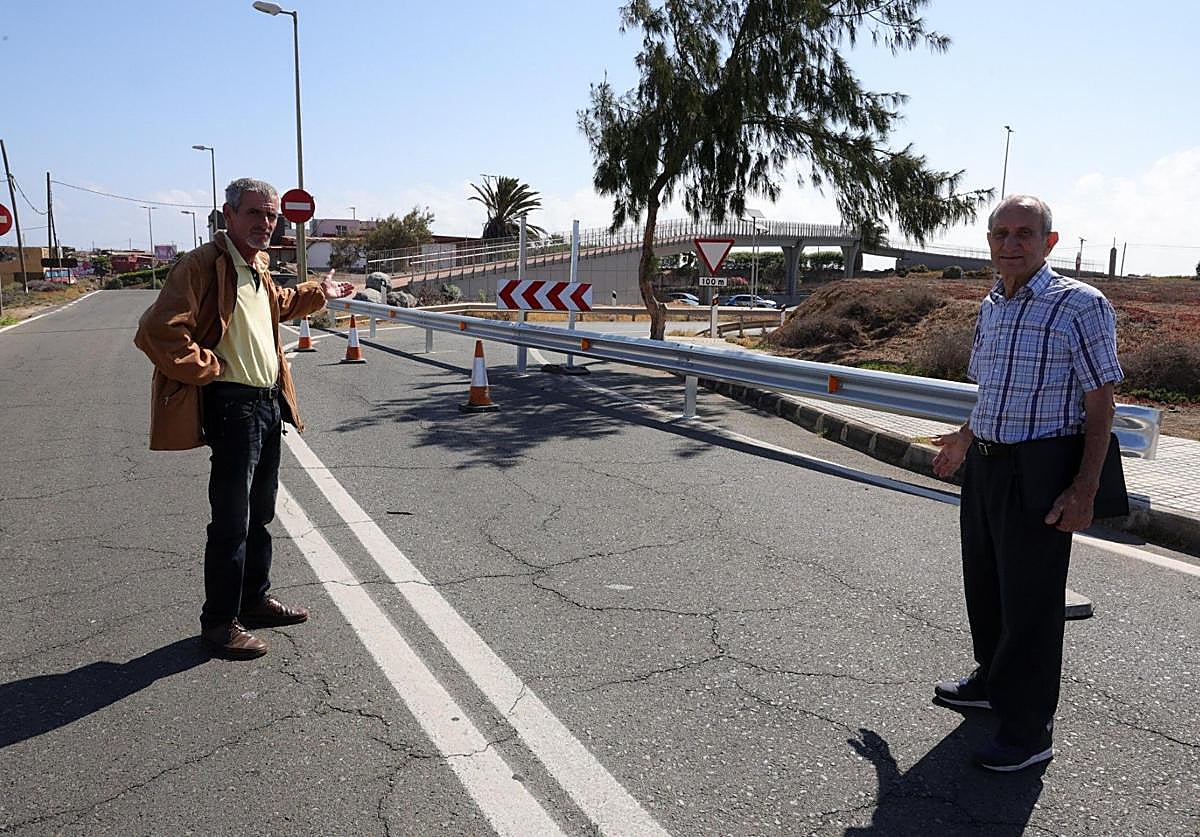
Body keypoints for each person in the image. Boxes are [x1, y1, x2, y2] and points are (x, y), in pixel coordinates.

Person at [930, 194, 1123, 772]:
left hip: (1040, 468)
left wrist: (1084, 488)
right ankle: (992, 681)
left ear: (1049, 242)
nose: (1010, 243)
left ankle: (1028, 729)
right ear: (989, 241)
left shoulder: (1080, 306)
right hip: (987, 463)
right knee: (985, 585)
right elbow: (992, 389)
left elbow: (1100, 403)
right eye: (1001, 233)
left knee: (1032, 602)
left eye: (1024, 233)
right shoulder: (992, 304)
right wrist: (966, 437)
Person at [134, 178, 354, 659]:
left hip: (266, 402)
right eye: (255, 214)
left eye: (271, 216)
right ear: (228, 215)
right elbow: (157, 329)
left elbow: (277, 305)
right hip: (232, 404)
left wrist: (322, 291)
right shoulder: (202, 265)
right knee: (232, 520)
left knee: (262, 513)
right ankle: (219, 624)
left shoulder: (256, 268)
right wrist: (208, 368)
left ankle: (253, 600)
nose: (265, 224)